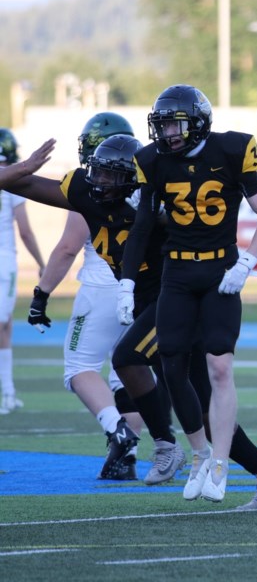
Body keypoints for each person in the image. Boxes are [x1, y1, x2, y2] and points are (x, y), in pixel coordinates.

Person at [119, 84, 257, 503]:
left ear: (198, 121)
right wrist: (127, 282)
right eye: (163, 125)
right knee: (170, 365)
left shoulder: (231, 150)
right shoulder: (151, 161)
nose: (169, 133)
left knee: (219, 367)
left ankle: (223, 464)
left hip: (220, 270)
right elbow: (140, 229)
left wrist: (246, 263)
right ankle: (200, 455)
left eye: (176, 124)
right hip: (177, 271)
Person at [25, 112, 151, 479]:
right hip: (138, 288)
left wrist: (41, 294)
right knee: (124, 374)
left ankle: (118, 430)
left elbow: (66, 248)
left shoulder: (94, 185)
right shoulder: (146, 182)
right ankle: (129, 456)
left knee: (79, 368)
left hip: (101, 287)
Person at [0, 128, 47, 415]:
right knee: (3, 327)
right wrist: (42, 263)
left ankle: (8, 393)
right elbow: (26, 232)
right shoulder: (12, 180)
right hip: (3, 260)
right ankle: (7, 394)